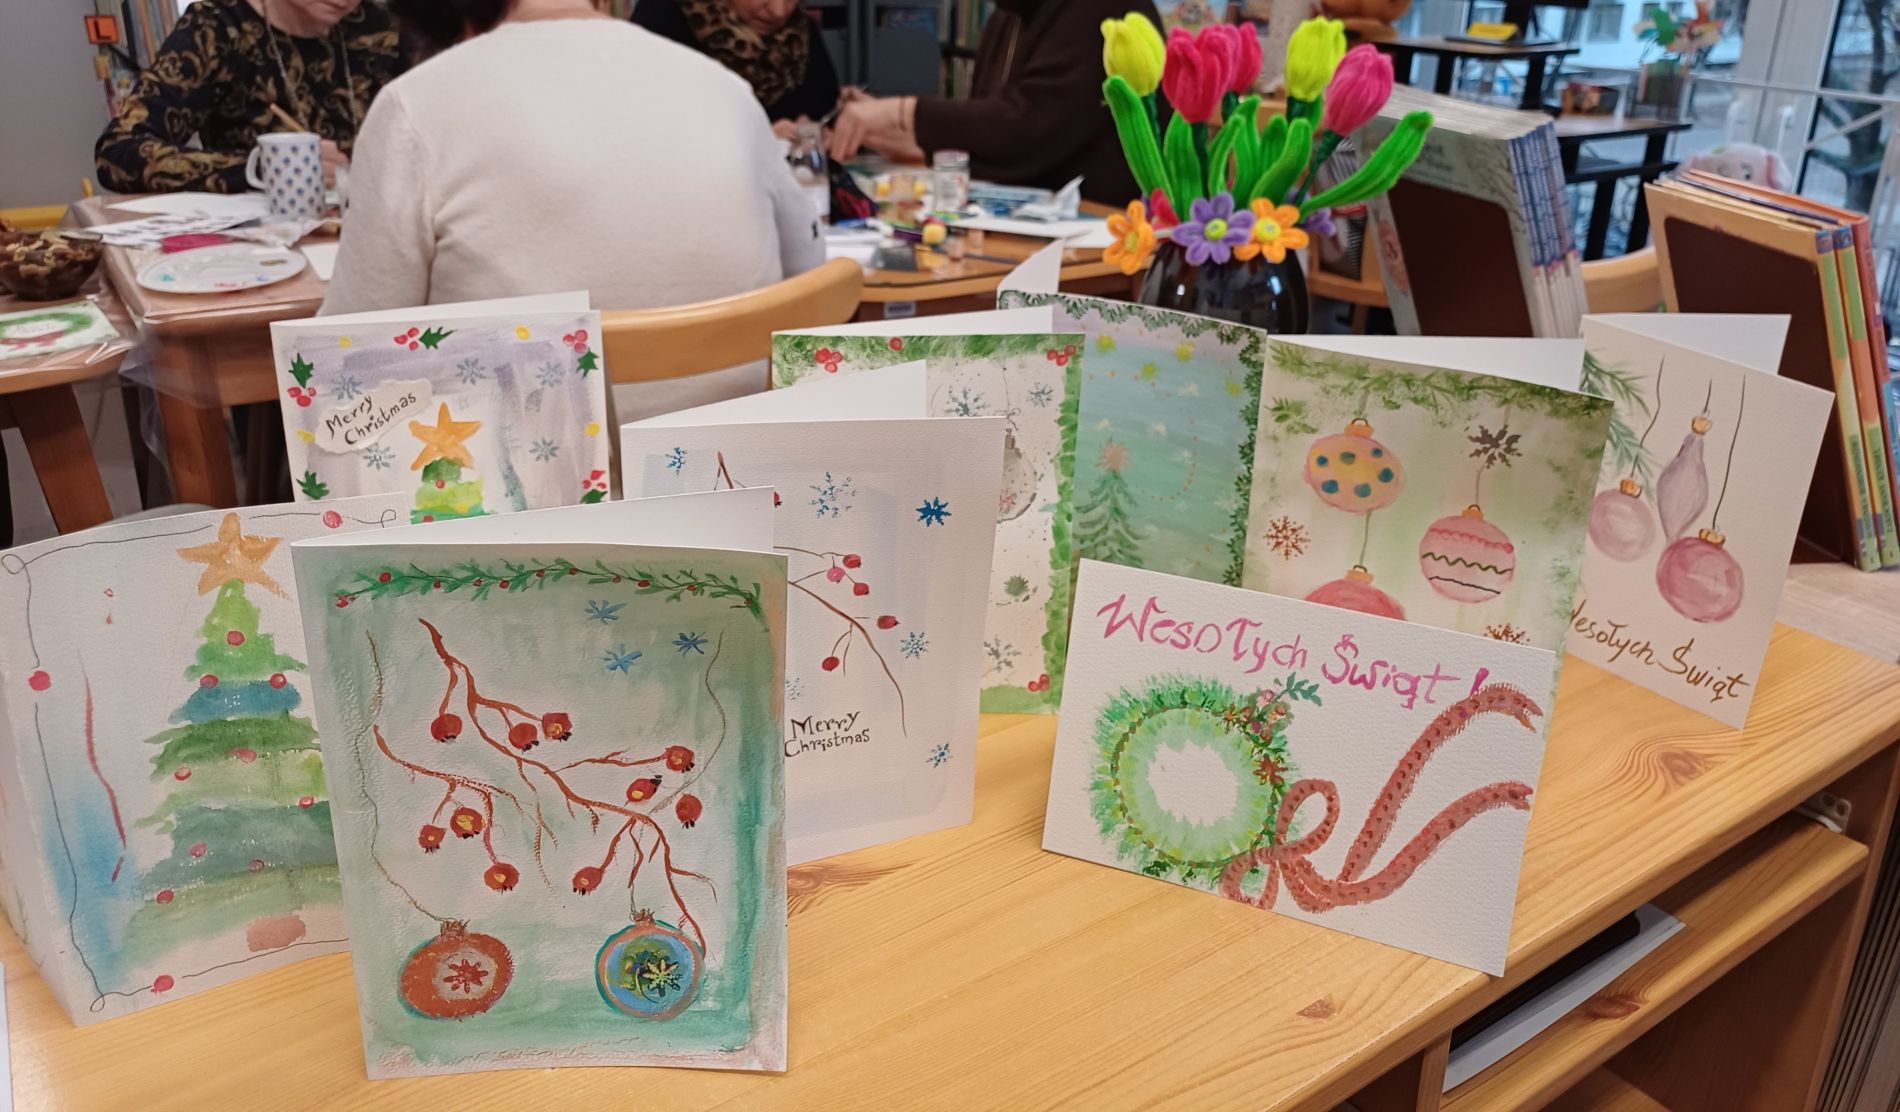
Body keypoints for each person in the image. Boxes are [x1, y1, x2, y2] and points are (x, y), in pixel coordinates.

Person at [321, 0, 823, 318]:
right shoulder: (727, 90)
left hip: (510, 457)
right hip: (731, 453)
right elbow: (808, 271)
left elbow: (347, 349)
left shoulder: (416, 105)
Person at [824, 0, 1156, 205]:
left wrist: (904, 113)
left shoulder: (1101, 7)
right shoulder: (1007, 17)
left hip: (1104, 239)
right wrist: (885, 127)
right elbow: (985, 133)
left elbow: (1028, 128)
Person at [94, 0, 404, 194]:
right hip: (264, 249)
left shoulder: (387, 27)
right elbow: (118, 153)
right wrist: (259, 169)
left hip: (378, 228)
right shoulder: (218, 26)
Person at [630, 0, 840, 140]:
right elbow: (644, 134)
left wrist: (830, 128)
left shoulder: (800, 32)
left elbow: (824, 110)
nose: (778, 11)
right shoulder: (662, 21)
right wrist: (758, 144)